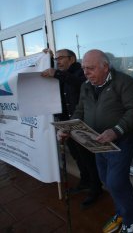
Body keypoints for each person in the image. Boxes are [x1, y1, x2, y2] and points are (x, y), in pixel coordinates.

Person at [57, 49, 133, 233]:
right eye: (83, 68)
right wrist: (68, 128)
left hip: (121, 140)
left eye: (90, 68)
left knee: (115, 181)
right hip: (97, 140)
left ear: (105, 67)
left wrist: (116, 131)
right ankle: (123, 210)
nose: (86, 72)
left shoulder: (125, 83)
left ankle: (132, 217)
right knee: (106, 179)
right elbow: (80, 110)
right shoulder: (87, 85)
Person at [41, 48, 103, 209]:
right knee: (77, 155)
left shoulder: (80, 72)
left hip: (81, 124)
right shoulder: (59, 74)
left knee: (88, 158)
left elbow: (81, 83)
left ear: (72, 58)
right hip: (66, 123)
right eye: (56, 59)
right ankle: (84, 181)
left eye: (61, 58)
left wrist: (57, 74)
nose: (58, 61)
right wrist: (45, 57)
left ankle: (96, 189)